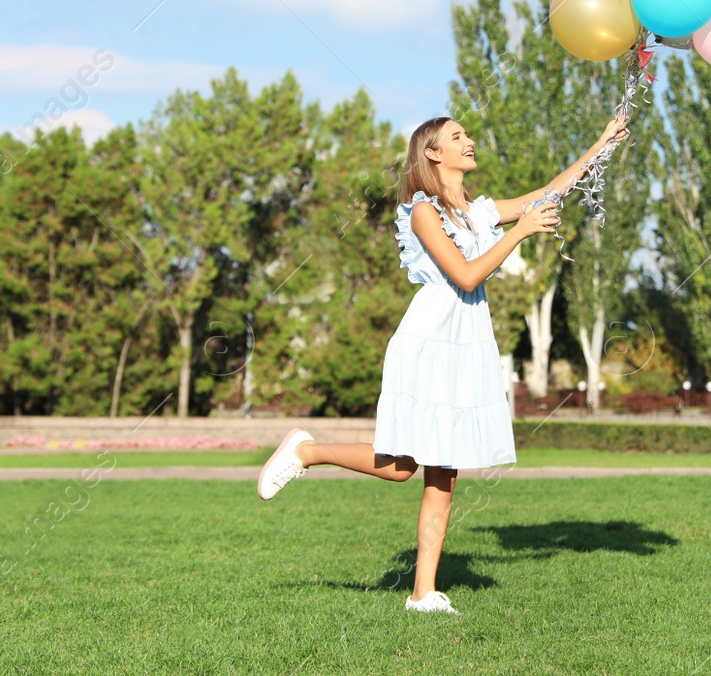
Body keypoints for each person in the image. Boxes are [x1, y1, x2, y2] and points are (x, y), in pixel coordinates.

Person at [256, 112, 630, 614]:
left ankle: (422, 594)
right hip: (429, 340)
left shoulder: (474, 211)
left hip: (467, 340)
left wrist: (600, 142)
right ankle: (308, 452)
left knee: (443, 476)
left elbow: (547, 195)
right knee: (403, 467)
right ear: (432, 152)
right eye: (457, 137)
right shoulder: (421, 212)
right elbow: (467, 276)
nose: (469, 141)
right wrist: (518, 234)